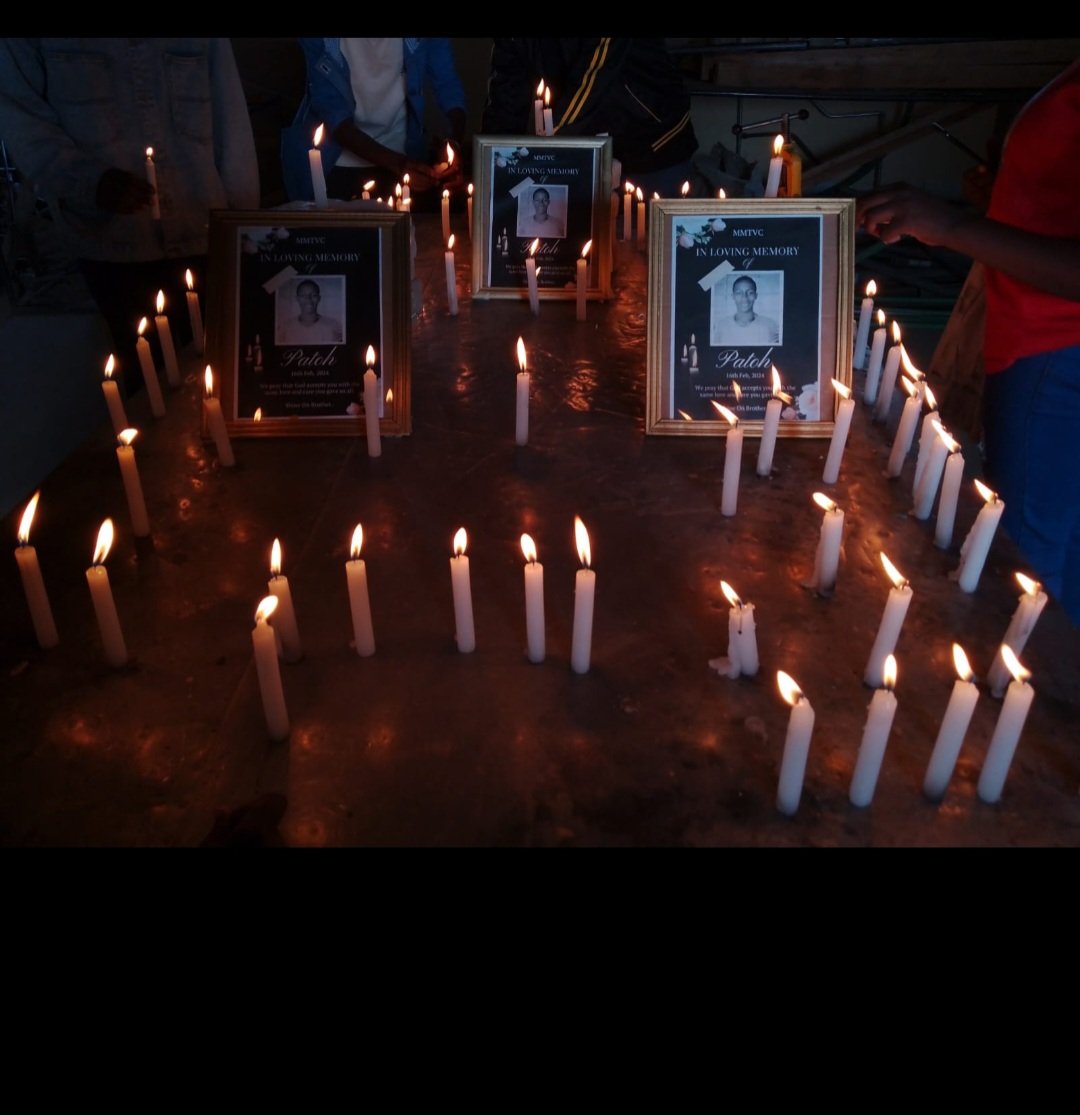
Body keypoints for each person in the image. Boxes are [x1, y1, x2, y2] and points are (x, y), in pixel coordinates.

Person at [857, 58, 1080, 624]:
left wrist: (953, 228)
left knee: (1031, 575)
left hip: (1057, 353)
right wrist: (1001, 201)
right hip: (1030, 337)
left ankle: (1033, 704)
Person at [0, 38, 259, 377]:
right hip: (111, 243)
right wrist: (88, 181)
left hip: (202, 230)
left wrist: (243, 226)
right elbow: (23, 120)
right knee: (145, 377)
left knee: (221, 368)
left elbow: (230, 118)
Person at [483, 38, 699, 197]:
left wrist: (544, 152)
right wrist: (494, 165)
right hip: (582, 147)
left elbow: (593, 78)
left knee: (652, 247)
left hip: (652, 141)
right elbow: (506, 93)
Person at [282, 38, 466, 204]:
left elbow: (448, 87)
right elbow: (333, 116)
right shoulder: (321, 42)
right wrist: (398, 164)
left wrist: (453, 144)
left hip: (404, 157)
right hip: (335, 166)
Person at [715, 275, 780, 346]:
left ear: (756, 295)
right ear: (733, 296)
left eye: (750, 293)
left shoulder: (770, 325)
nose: (745, 298)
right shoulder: (722, 325)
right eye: (739, 293)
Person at [277, 279, 343, 345]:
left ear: (318, 298)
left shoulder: (333, 325)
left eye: (313, 295)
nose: (308, 299)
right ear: (297, 299)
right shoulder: (285, 327)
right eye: (303, 295)